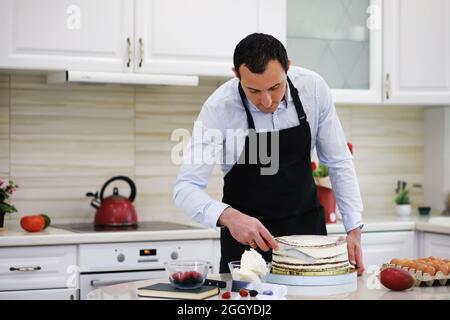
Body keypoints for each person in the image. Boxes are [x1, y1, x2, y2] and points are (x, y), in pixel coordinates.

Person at [173, 33, 364, 275]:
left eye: (275, 87)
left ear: (288, 68)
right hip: (245, 249)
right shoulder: (219, 108)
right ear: (236, 75)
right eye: (253, 90)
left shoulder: (313, 89)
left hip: (308, 242)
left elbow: (338, 162)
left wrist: (354, 229)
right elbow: (185, 188)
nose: (266, 101)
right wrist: (229, 217)